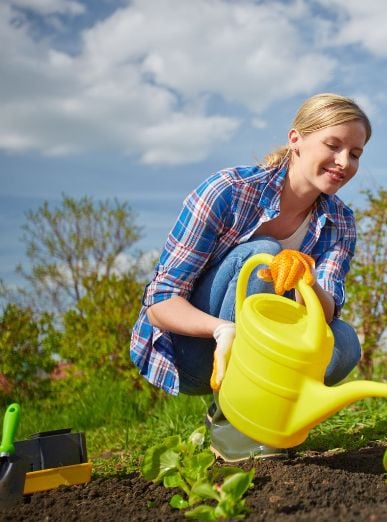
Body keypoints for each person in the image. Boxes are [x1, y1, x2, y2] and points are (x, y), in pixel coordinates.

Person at [130, 93, 371, 461]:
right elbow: (160, 303)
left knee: (344, 343)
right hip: (197, 350)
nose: (343, 162)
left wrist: (307, 279)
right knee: (262, 255)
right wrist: (223, 330)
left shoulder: (341, 222)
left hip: (265, 354)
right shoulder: (228, 191)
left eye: (354, 154)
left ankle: (263, 412)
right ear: (296, 139)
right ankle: (232, 420)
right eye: (333, 145)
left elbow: (323, 315)